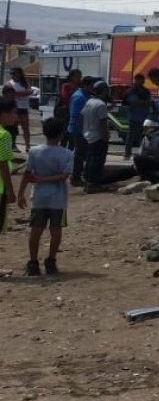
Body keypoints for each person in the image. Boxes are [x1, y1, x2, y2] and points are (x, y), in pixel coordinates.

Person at [16, 117, 73, 276]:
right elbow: (64, 176)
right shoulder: (67, 153)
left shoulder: (35, 151)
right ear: (61, 134)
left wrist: (21, 193)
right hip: (58, 198)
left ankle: (33, 262)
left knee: (36, 230)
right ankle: (51, 261)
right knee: (56, 230)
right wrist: (45, 179)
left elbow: (27, 175)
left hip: (39, 196)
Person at [79, 81, 112, 193]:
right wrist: (106, 137)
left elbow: (81, 117)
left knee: (89, 160)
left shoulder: (90, 101)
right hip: (98, 137)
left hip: (88, 136)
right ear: (103, 91)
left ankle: (88, 182)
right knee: (97, 162)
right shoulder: (101, 104)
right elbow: (103, 123)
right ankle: (94, 184)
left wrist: (84, 130)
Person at [68, 76, 94, 186]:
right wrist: (84, 130)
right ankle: (75, 177)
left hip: (83, 129)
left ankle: (78, 175)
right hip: (79, 130)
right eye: (91, 86)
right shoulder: (79, 97)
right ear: (85, 85)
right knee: (79, 154)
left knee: (83, 154)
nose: (92, 88)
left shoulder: (86, 95)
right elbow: (76, 116)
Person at [123, 73, 152, 159]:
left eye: (142, 80)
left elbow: (148, 102)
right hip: (133, 116)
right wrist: (141, 103)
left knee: (142, 136)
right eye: (139, 80)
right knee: (131, 135)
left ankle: (142, 153)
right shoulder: (131, 91)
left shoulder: (145, 91)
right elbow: (128, 102)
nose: (141, 82)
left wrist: (143, 103)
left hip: (143, 115)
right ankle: (127, 153)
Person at [7, 67, 33, 152]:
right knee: (12, 128)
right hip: (13, 108)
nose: (12, 75)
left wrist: (17, 94)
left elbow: (30, 91)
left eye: (14, 73)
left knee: (25, 128)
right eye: (11, 74)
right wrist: (24, 93)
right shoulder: (9, 83)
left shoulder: (26, 82)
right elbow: (10, 94)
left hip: (23, 108)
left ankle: (28, 146)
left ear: (20, 74)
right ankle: (13, 145)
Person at [0, 102, 15, 240]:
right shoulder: (4, 135)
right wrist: (10, 190)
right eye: (12, 113)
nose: (14, 116)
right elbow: (3, 164)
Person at [1, 85, 19, 152]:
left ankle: (13, 145)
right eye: (10, 93)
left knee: (13, 133)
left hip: (11, 123)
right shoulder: (1, 101)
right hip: (4, 123)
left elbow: (15, 111)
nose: (12, 94)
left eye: (13, 93)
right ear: (5, 93)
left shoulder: (13, 101)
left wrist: (16, 119)